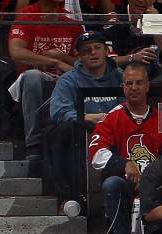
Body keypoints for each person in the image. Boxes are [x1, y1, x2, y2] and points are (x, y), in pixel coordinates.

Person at [87, 62, 162, 234]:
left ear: (148, 85)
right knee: (111, 184)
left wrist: (151, 179)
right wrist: (124, 163)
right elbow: (96, 154)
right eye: (129, 83)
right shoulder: (112, 117)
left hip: (159, 186)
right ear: (123, 88)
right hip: (129, 185)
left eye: (139, 83)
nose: (134, 87)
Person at [41, 32, 123, 198]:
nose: (92, 53)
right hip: (83, 129)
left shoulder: (121, 76)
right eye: (86, 50)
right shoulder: (68, 80)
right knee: (61, 130)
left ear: (106, 51)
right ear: (79, 55)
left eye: (97, 48)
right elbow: (59, 111)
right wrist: (86, 117)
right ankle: (68, 197)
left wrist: (109, 120)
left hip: (115, 129)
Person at [6, 0, 82, 156]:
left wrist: (61, 57)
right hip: (38, 79)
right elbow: (16, 52)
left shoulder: (70, 22)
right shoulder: (26, 16)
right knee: (32, 76)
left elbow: (84, 63)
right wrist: (53, 61)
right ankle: (34, 145)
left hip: (66, 79)